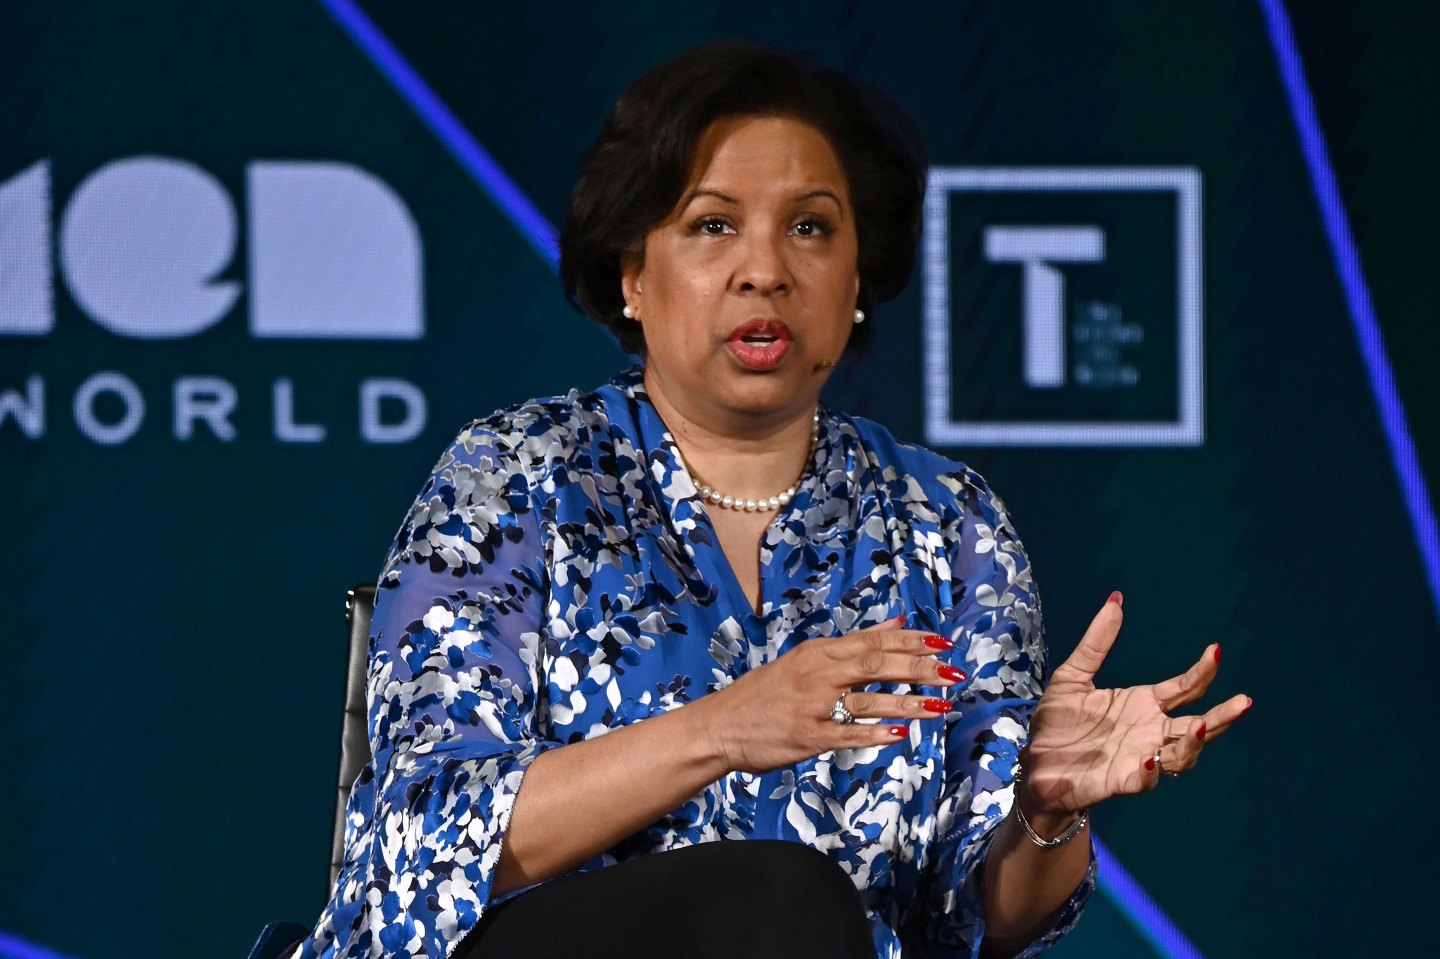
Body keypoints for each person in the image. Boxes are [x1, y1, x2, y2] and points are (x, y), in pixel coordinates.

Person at [294, 42, 1249, 959]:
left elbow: (977, 919)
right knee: (780, 897)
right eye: (713, 225)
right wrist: (725, 727)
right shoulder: (516, 476)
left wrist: (1045, 811)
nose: (766, 270)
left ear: (858, 277)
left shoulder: (947, 524)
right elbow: (426, 839)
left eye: (810, 227)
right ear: (633, 274)